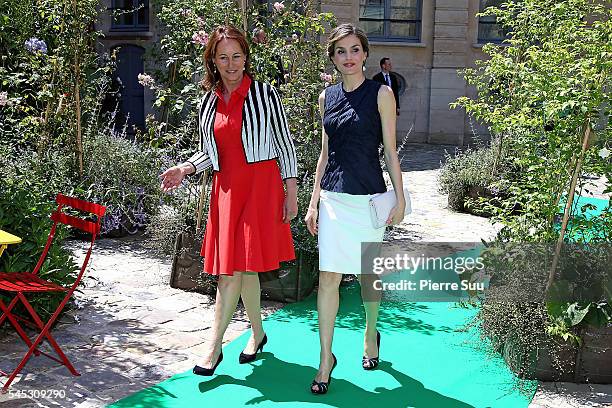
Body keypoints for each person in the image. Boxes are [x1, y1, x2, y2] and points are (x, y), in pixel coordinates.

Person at [160, 25, 298, 376]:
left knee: (232, 270)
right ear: (213, 61)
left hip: (261, 188)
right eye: (223, 57)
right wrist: (185, 167)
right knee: (244, 267)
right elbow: (211, 152)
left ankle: (213, 346)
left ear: (246, 58)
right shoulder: (208, 100)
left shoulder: (265, 95)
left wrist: (291, 192)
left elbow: (285, 145)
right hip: (227, 191)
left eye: (237, 56)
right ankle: (259, 333)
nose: (231, 63)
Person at [304, 24, 405, 394]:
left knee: (368, 275)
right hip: (332, 199)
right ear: (332, 58)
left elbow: (391, 153)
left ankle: (369, 332)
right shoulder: (325, 97)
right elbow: (325, 154)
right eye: (341, 51)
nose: (349, 57)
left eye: (355, 50)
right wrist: (313, 200)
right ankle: (325, 359)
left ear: (365, 53)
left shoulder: (381, 94)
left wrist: (401, 196)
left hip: (368, 200)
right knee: (328, 277)